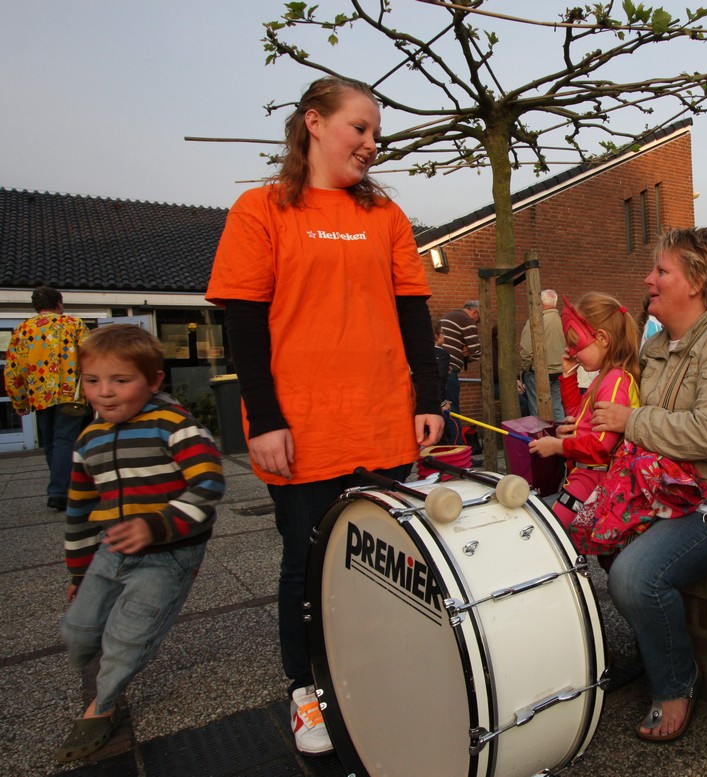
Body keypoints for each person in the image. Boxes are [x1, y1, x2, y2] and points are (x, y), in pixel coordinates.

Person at [205, 76, 443, 756]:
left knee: (383, 559)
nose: (371, 143)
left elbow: (412, 314)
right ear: (314, 122)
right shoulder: (260, 209)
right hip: (303, 429)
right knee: (306, 565)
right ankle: (306, 687)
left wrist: (428, 400)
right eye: (359, 128)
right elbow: (244, 324)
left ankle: (375, 674)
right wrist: (265, 418)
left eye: (376, 133)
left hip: (383, 423)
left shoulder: (386, 216)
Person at [590, 227, 707, 742]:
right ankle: (643, 652)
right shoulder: (657, 345)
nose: (648, 280)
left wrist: (630, 421)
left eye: (661, 271)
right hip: (670, 494)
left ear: (695, 282)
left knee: (634, 576)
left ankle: (675, 682)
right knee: (588, 531)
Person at [58, 325, 224, 763]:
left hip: (169, 553)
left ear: (153, 381)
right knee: (76, 631)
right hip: (112, 548)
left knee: (127, 639)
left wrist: (157, 526)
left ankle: (103, 705)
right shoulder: (88, 439)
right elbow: (79, 508)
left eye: (120, 380)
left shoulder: (174, 426)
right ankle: (107, 662)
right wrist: (78, 569)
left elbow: (208, 484)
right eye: (92, 381)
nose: (105, 392)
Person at [529, 293, 641, 556]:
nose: (572, 352)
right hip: (586, 475)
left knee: (553, 539)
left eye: (576, 345)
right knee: (566, 542)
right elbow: (578, 417)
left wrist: (558, 446)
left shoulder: (615, 382)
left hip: (594, 478)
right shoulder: (606, 378)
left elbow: (601, 446)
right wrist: (568, 375)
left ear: (602, 338)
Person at [4, 285, 90, 510]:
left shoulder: (22, 330)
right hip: (70, 394)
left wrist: (19, 400)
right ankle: (60, 491)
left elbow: (13, 369)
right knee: (65, 440)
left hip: (40, 395)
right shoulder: (74, 325)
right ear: (59, 303)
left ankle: (60, 489)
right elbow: (91, 356)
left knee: (51, 442)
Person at [520, 289, 567, 422]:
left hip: (538, 372)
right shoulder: (563, 321)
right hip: (559, 372)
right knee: (557, 406)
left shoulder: (535, 320)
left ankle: (541, 434)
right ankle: (561, 432)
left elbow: (526, 349)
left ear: (540, 302)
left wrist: (526, 368)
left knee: (537, 409)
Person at [439, 300, 481, 414]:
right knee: (452, 409)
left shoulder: (448, 316)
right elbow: (476, 352)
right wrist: (465, 357)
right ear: (475, 312)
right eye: (478, 320)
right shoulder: (466, 320)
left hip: (437, 366)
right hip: (450, 368)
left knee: (441, 407)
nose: (476, 323)